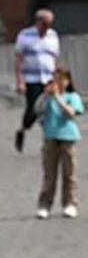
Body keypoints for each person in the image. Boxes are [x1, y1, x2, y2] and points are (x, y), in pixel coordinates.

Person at [35, 64, 82, 220]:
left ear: (68, 81)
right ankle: (44, 205)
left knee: (69, 174)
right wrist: (45, 95)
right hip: (50, 137)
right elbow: (37, 110)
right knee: (49, 175)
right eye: (55, 79)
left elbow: (70, 113)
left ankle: (70, 204)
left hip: (68, 138)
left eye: (62, 79)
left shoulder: (72, 97)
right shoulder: (48, 98)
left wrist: (58, 98)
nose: (58, 82)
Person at [14, 8, 60, 153]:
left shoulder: (53, 36)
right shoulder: (25, 35)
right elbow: (18, 59)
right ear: (38, 22)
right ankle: (22, 130)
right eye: (45, 23)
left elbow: (55, 58)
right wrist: (20, 81)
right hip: (31, 78)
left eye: (50, 24)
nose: (47, 27)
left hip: (48, 78)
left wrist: (58, 79)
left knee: (49, 109)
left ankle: (47, 141)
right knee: (33, 109)